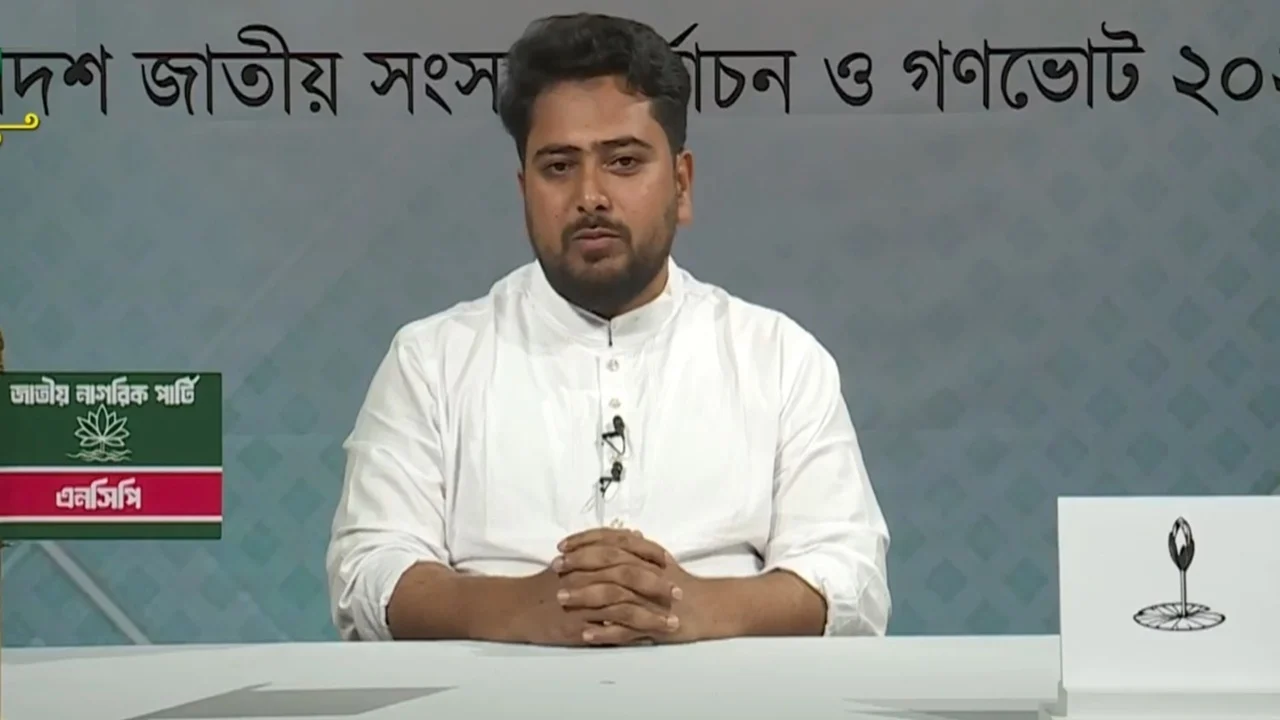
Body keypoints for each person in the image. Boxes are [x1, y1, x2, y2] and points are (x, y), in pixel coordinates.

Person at [325, 12, 890, 646]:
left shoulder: (778, 358)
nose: (590, 195)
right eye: (558, 167)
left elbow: (853, 579)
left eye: (623, 161)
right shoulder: (432, 361)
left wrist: (700, 608)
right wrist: (518, 610)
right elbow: (367, 571)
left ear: (681, 184)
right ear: (524, 190)